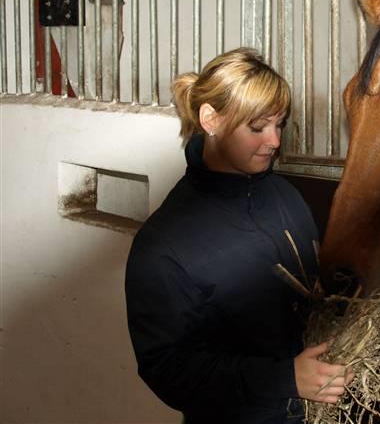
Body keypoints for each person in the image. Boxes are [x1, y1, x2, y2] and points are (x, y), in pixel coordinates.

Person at [125, 48, 350, 424]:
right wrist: (284, 379)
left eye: (280, 124)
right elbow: (167, 368)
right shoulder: (164, 243)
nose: (275, 141)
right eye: (258, 127)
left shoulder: (285, 196)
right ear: (211, 119)